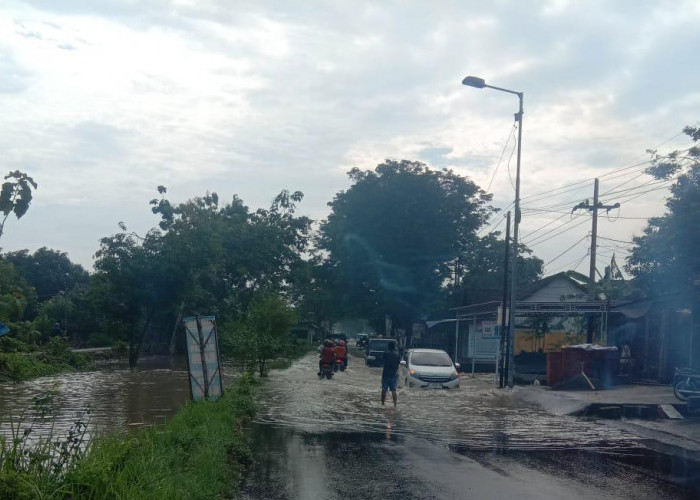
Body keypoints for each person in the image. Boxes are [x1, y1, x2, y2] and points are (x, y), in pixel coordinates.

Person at [381, 340, 400, 407]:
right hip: (393, 374)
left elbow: (383, 361)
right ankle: (395, 405)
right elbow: (398, 363)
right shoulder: (397, 354)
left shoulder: (386, 353)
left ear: (388, 346)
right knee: (393, 390)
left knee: (384, 388)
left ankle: (382, 403)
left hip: (386, 373)